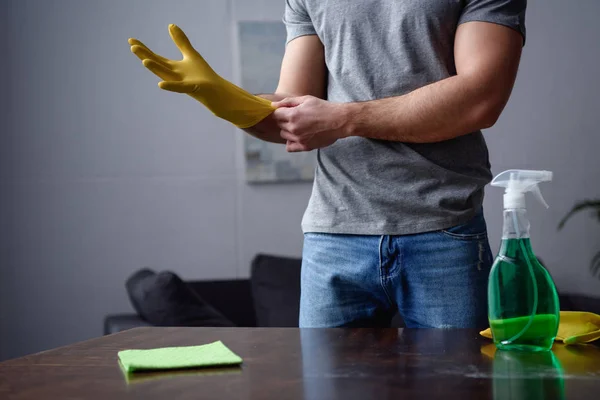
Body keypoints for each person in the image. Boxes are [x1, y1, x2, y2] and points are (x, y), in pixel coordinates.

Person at [130, 0, 527, 329]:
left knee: (455, 387)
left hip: (443, 233)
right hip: (334, 237)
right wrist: (225, 99)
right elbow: (295, 115)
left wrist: (343, 118)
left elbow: (482, 96)